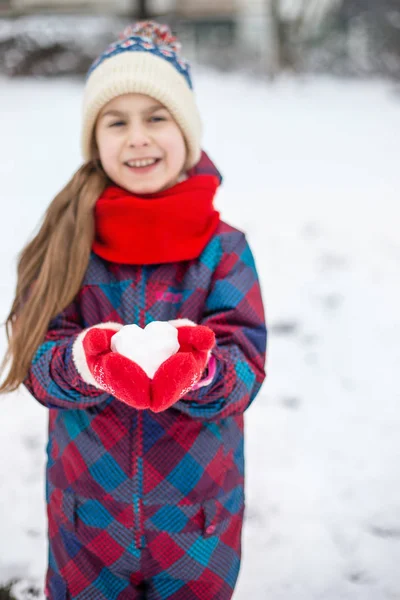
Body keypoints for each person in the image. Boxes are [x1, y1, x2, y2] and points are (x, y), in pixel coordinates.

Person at [0, 21, 267, 600]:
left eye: (156, 117)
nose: (137, 137)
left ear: (187, 132)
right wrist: (85, 363)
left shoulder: (224, 250)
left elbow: (244, 361)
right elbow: (38, 351)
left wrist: (199, 370)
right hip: (85, 523)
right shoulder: (68, 240)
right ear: (95, 141)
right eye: (116, 122)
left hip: (199, 524)